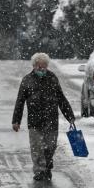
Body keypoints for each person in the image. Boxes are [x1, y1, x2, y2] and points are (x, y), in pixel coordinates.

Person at [12, 53, 75, 181]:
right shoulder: (27, 80)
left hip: (51, 120)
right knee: (36, 148)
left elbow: (61, 98)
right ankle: (39, 171)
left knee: (50, 147)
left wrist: (70, 117)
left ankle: (47, 165)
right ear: (34, 66)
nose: (42, 70)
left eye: (44, 67)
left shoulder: (52, 78)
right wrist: (16, 121)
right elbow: (20, 101)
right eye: (39, 67)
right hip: (34, 121)